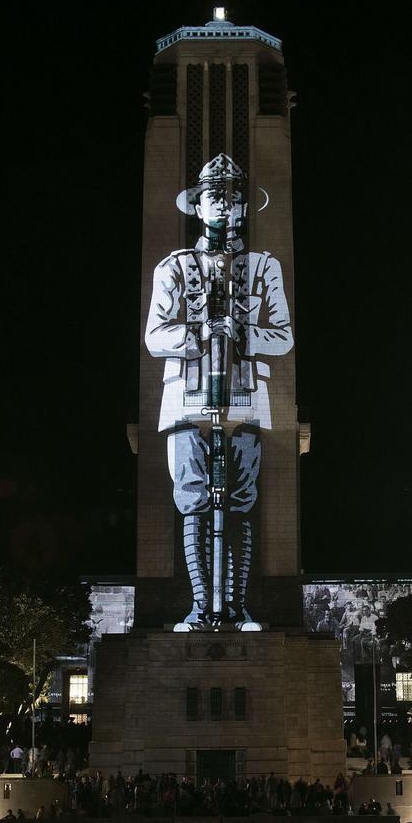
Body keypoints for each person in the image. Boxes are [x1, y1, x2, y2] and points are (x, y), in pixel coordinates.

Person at [145, 152, 293, 630]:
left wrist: (241, 331)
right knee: (191, 497)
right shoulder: (174, 267)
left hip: (247, 398)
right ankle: (198, 607)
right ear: (198, 208)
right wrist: (200, 332)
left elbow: (284, 335)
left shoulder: (262, 267)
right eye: (214, 198)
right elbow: (153, 336)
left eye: (232, 199)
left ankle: (236, 607)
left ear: (243, 209)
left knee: (240, 502)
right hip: (185, 397)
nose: (224, 207)